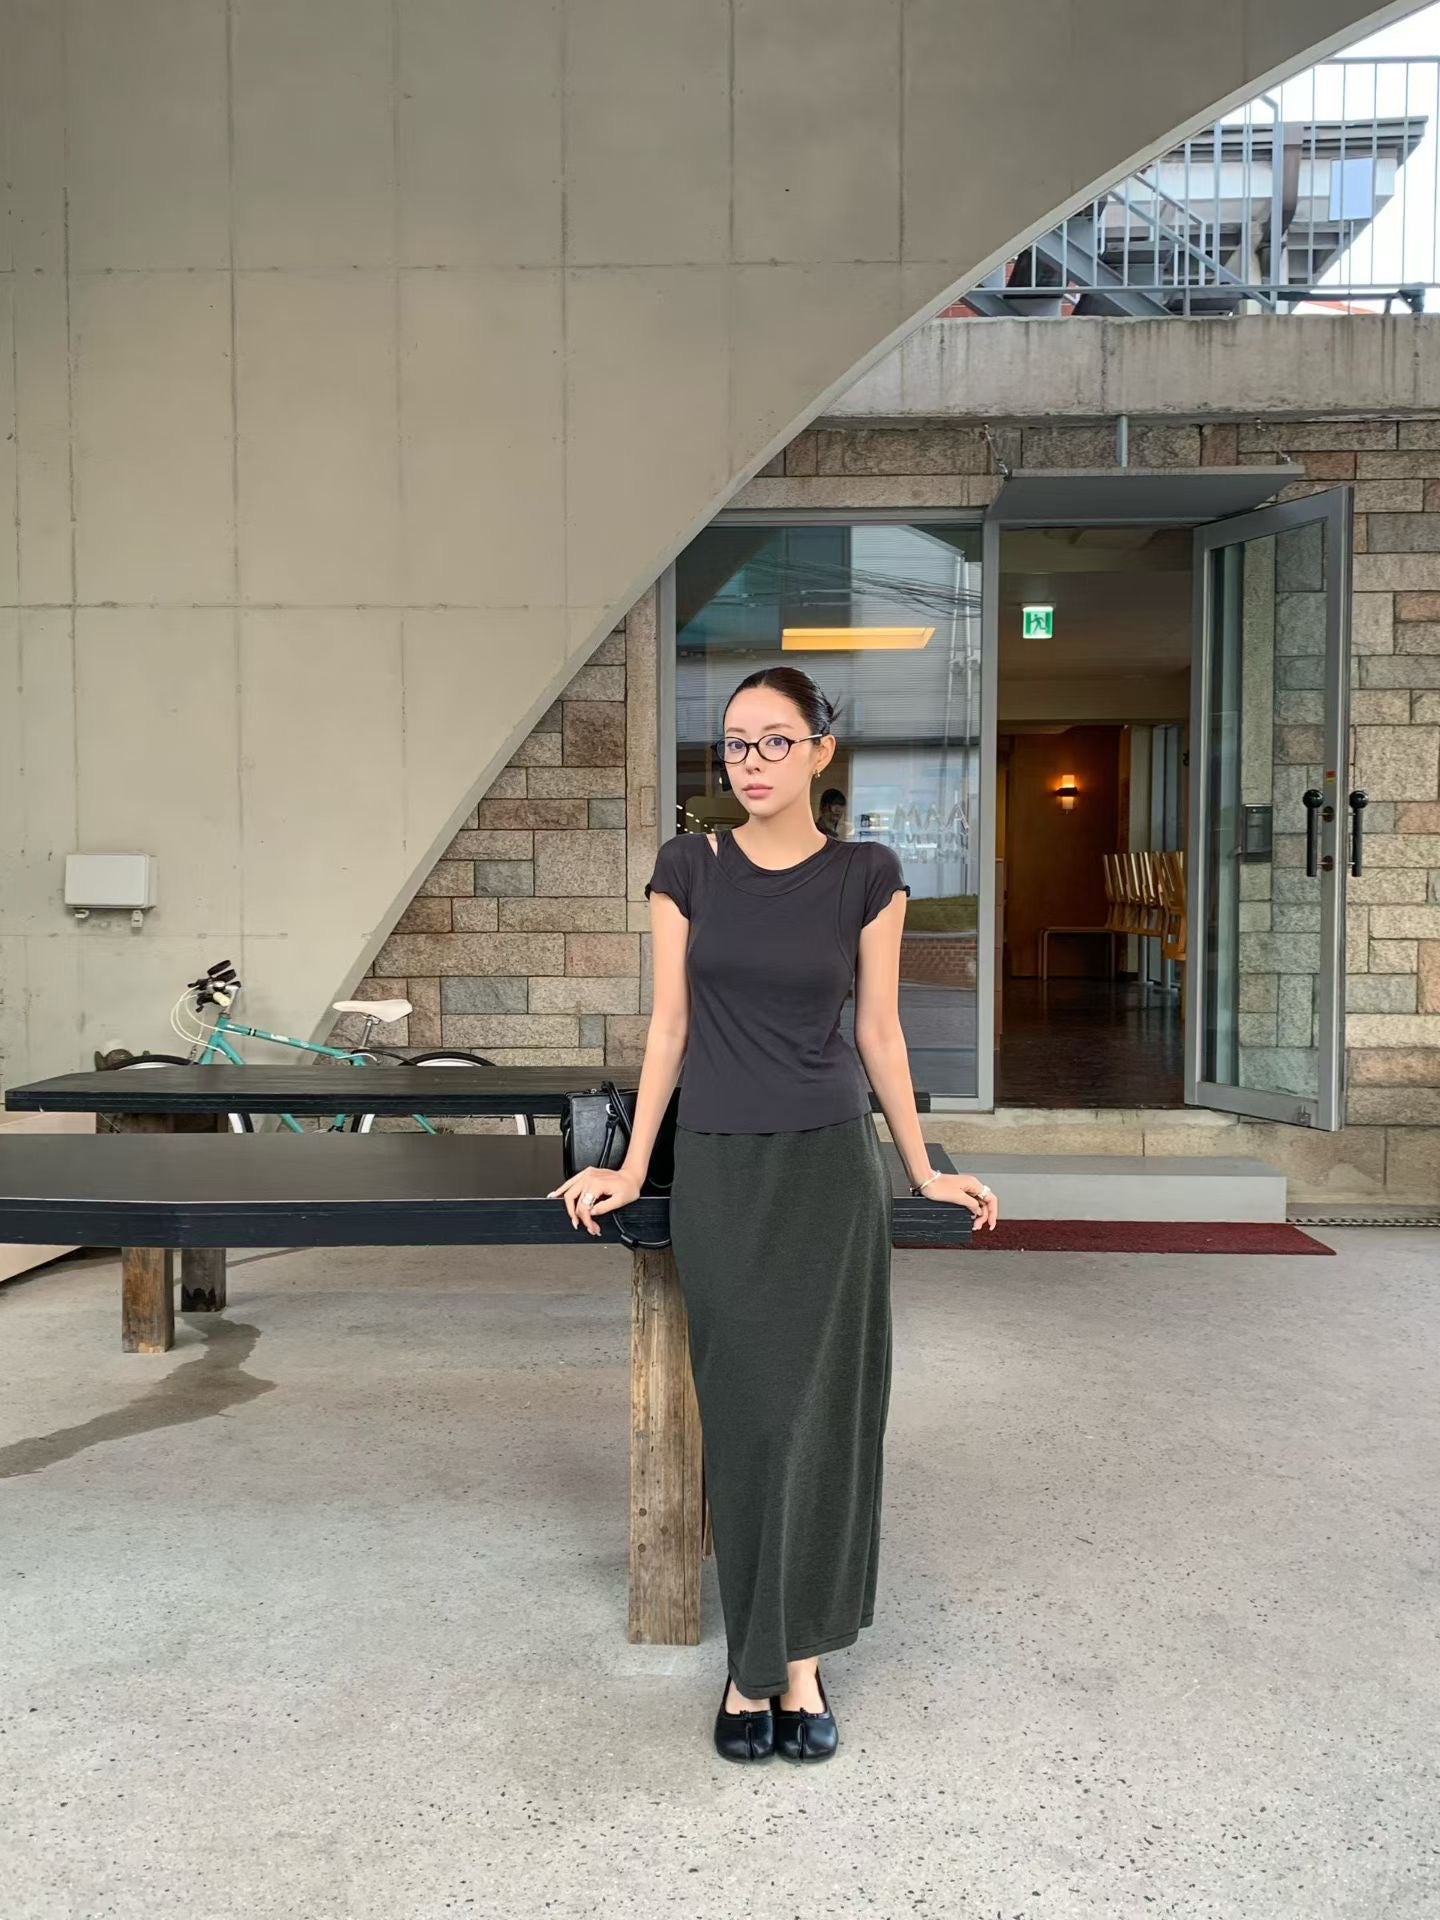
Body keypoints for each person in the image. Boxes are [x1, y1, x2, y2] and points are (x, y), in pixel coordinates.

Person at [547, 666, 999, 1766]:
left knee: (827, 1418)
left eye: (774, 742)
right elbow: (668, 1030)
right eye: (735, 744)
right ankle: (753, 1659)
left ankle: (797, 1665)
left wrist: (921, 1168)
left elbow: (880, 1032)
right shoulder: (688, 869)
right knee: (749, 1419)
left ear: (820, 752)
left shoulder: (867, 876)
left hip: (830, 1169)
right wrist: (630, 1165)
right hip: (722, 1169)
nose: (750, 763)